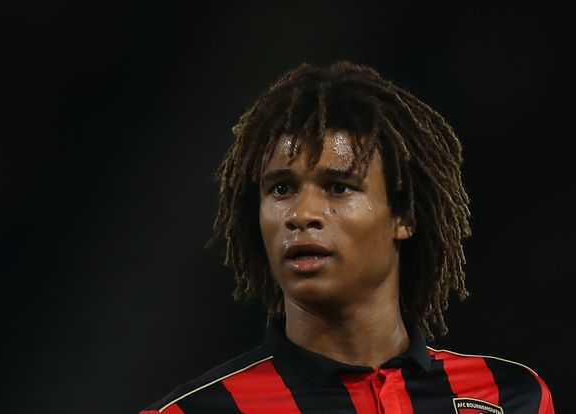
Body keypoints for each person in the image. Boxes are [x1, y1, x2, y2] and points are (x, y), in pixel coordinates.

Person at [141, 61, 554, 414]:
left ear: (403, 216)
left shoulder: (509, 397)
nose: (301, 215)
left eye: (338, 187)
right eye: (281, 189)